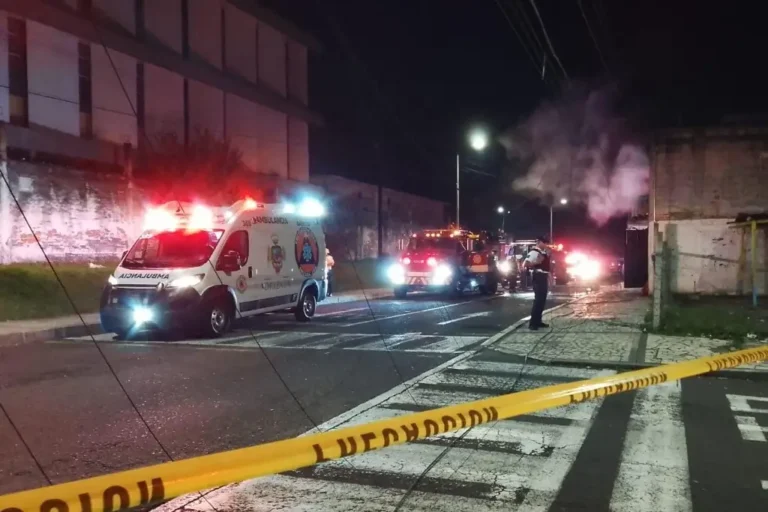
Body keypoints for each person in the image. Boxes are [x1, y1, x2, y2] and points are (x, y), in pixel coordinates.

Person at [523, 235, 551, 330]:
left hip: (543, 277)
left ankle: (538, 321)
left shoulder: (543, 253)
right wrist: (537, 262)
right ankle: (533, 323)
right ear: (539, 242)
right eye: (544, 242)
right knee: (538, 300)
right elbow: (525, 264)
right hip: (538, 277)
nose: (546, 244)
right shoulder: (534, 252)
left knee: (542, 301)